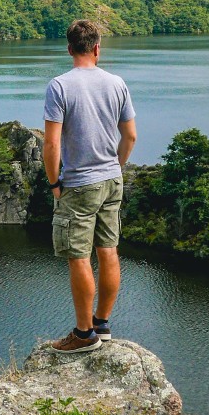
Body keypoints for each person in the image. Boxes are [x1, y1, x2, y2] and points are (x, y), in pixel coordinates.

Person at [43, 20, 137, 354]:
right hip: (112, 179)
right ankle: (102, 324)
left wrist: (55, 183)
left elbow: (51, 145)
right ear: (97, 48)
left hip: (80, 184)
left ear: (69, 49)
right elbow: (130, 136)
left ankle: (84, 336)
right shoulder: (117, 83)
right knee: (108, 250)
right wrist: (117, 166)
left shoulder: (60, 86)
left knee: (78, 255)